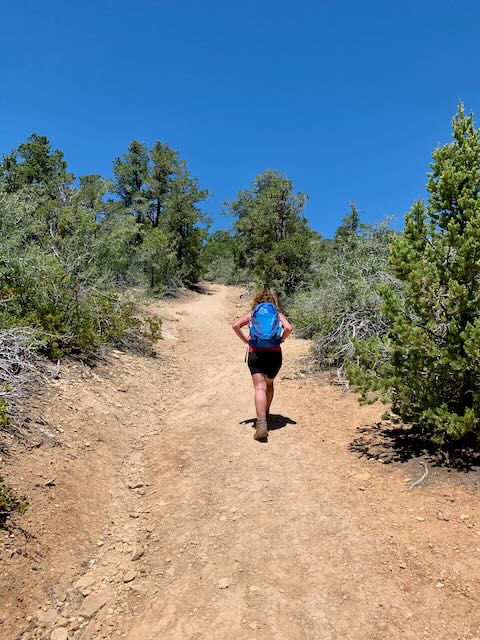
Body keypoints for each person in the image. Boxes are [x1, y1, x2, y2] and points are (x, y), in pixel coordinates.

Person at [232, 289, 293, 440]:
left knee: (260, 387)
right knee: (269, 384)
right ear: (273, 301)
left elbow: (235, 325)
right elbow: (289, 328)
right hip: (274, 354)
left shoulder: (252, 313)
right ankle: (266, 412)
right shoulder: (277, 314)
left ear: (257, 301)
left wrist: (246, 341)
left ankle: (261, 424)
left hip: (256, 353)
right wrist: (281, 340)